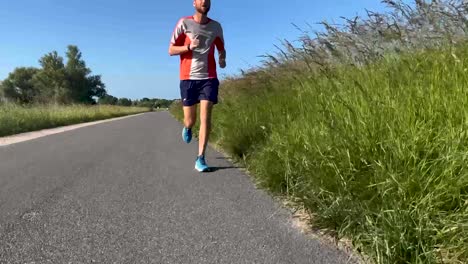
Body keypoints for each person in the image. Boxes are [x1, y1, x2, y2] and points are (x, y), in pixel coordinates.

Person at [168, 0, 226, 172]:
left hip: (209, 77)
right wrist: (188, 46)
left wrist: (222, 58)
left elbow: (221, 48)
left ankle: (200, 158)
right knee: (190, 119)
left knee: (206, 116)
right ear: (194, 3)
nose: (205, 2)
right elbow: (171, 50)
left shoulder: (216, 26)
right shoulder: (184, 23)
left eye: (207, 0)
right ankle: (187, 127)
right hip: (188, 78)